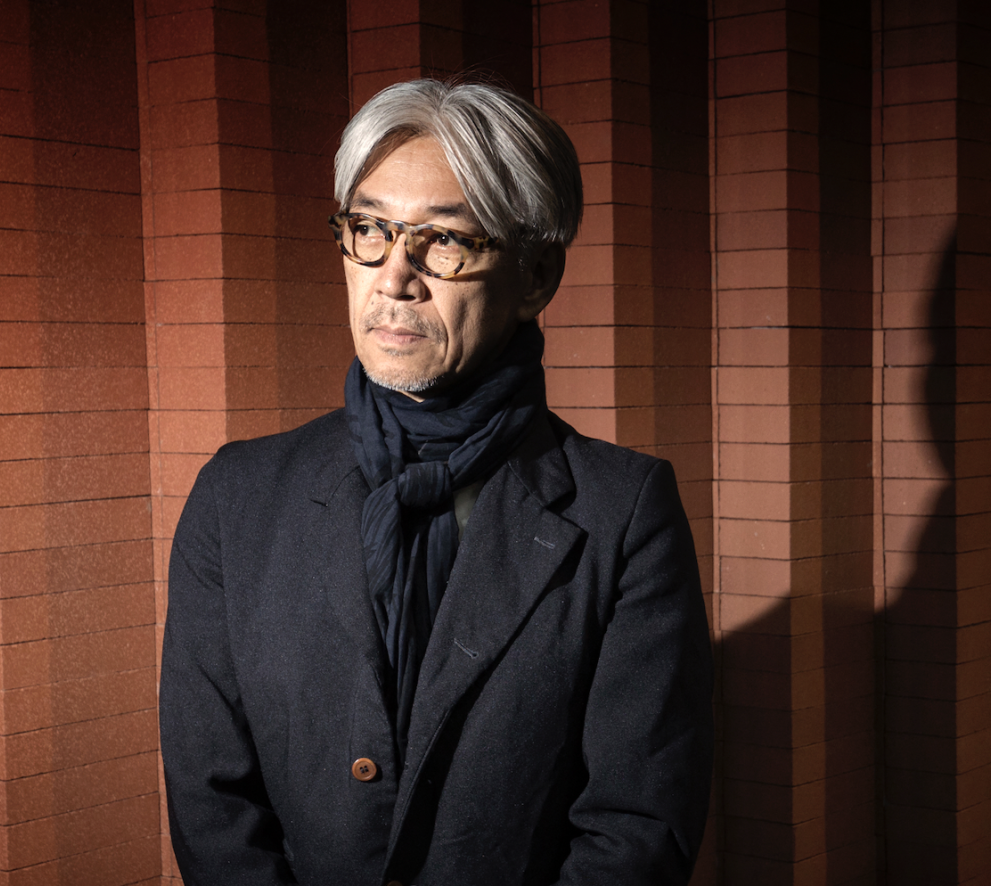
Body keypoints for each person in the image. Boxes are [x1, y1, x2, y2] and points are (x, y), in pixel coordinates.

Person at [159, 79, 714, 886]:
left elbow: (637, 826)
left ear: (535, 276)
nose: (394, 277)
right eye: (370, 229)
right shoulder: (237, 495)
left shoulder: (622, 512)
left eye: (444, 240)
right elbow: (212, 804)